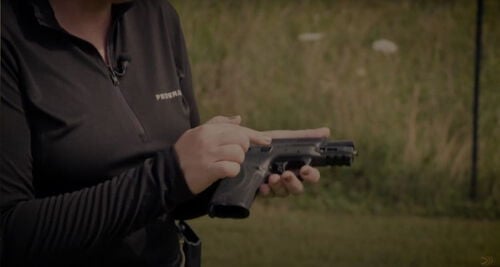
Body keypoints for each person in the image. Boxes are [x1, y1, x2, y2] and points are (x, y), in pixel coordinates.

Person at [0, 0, 330, 266]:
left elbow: (173, 196)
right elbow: (10, 233)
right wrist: (170, 173)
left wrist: (241, 166)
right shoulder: (9, 35)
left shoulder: (157, 17)